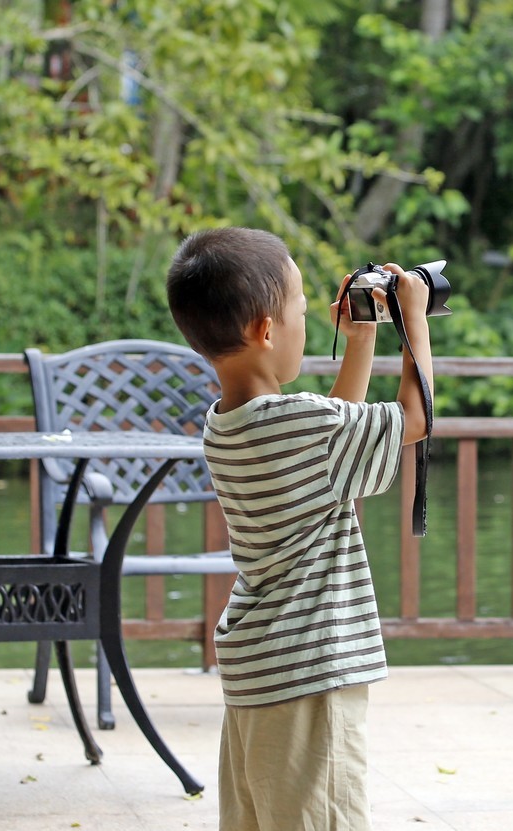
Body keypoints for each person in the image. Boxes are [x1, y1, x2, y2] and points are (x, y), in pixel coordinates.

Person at [164, 226, 434, 831]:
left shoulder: (225, 424)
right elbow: (414, 419)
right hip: (313, 666)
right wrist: (414, 323)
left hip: (260, 668)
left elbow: (333, 437)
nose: (309, 326)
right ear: (266, 329)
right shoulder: (302, 424)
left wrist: (361, 335)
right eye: (302, 313)